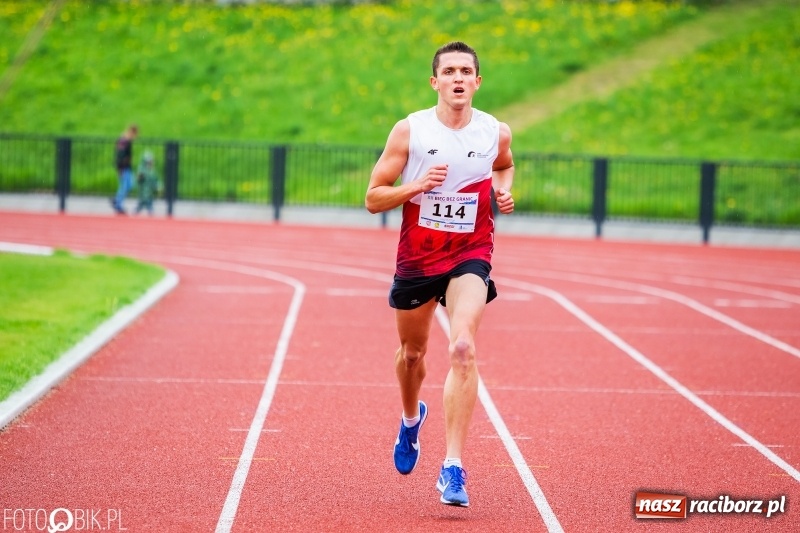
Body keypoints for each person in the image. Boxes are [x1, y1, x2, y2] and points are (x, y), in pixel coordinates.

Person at [365, 41, 515, 507]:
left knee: (463, 346)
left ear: (476, 81)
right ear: (435, 82)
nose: (457, 78)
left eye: (465, 71)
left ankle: (453, 467)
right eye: (448, 70)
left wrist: (501, 192)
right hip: (418, 256)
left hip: (470, 251)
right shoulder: (411, 130)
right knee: (412, 354)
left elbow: (505, 167)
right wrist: (418, 184)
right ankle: (411, 419)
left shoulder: (495, 132)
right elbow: (373, 197)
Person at [111, 124, 138, 215]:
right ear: (132, 132)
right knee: (127, 184)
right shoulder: (125, 141)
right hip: (124, 166)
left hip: (124, 166)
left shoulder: (123, 140)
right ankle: (117, 201)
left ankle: (118, 202)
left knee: (126, 184)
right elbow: (120, 155)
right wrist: (120, 168)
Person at [134, 150, 160, 216]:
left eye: (151, 161)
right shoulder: (142, 169)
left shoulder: (152, 171)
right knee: (139, 207)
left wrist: (158, 187)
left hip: (149, 195)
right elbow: (138, 180)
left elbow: (156, 180)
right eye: (149, 161)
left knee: (150, 208)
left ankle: (150, 214)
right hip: (142, 194)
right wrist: (140, 177)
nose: (151, 162)